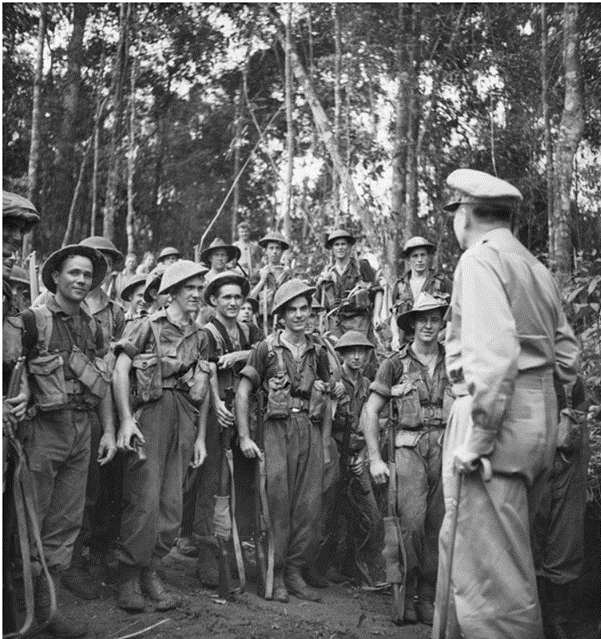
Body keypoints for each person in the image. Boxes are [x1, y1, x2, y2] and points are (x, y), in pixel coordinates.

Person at [431, 169, 580, 639]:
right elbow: (569, 356)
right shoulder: (535, 268)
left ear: (465, 214)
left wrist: (478, 439)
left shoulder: (480, 261)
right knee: (484, 560)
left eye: (454, 213)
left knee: (493, 586)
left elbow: (492, 360)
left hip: (494, 425)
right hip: (536, 421)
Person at [20, 244, 116, 638]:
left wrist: (109, 429)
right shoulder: (33, 321)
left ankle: (49, 606)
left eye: (87, 275)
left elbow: (103, 380)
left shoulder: (94, 326)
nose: (81, 280)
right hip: (43, 428)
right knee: (29, 519)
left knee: (65, 521)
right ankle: (19, 604)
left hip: (82, 429)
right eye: (73, 273)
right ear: (56, 277)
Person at [112, 260, 211, 612]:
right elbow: (120, 370)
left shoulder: (201, 336)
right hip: (151, 414)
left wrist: (200, 438)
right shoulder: (146, 327)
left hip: (184, 415)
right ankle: (128, 576)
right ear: (172, 293)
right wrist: (126, 419)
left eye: (201, 288)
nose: (197, 294)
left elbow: (205, 387)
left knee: (172, 504)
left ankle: (152, 570)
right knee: (143, 499)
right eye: (190, 288)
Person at [236, 279, 331, 603]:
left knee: (308, 506)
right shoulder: (265, 348)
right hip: (275, 430)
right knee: (276, 502)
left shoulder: (318, 350)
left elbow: (326, 395)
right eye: (292, 310)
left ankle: (295, 572)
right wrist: (245, 435)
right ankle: (274, 575)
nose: (300, 315)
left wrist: (326, 443)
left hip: (309, 428)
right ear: (281, 315)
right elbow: (244, 391)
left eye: (305, 308)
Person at [364, 293, 451, 624]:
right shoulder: (394, 364)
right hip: (408, 450)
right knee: (411, 524)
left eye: (434, 318)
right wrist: (375, 458)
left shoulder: (453, 361)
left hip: (445, 448)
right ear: (412, 325)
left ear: (442, 323)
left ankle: (428, 596)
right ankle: (408, 591)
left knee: (439, 524)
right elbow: (371, 411)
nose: (428, 325)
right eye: (422, 319)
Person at [192, 271, 263, 586]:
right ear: (214, 301)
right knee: (214, 484)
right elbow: (204, 371)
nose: (234, 303)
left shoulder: (251, 330)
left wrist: (240, 355)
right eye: (227, 298)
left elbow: (269, 353)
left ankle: (234, 547)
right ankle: (209, 552)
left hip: (247, 413)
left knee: (243, 483)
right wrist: (217, 403)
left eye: (238, 297)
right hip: (217, 413)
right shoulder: (207, 333)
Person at [318, 330, 386, 589]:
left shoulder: (369, 385)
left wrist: (361, 455)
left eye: (362, 352)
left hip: (359, 455)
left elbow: (374, 424)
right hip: (335, 452)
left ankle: (358, 567)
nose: (357, 357)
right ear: (343, 355)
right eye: (351, 352)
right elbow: (326, 421)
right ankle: (325, 566)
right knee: (330, 513)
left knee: (370, 514)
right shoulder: (335, 382)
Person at [3, 190, 40, 635]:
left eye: (19, 231)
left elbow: (18, 357)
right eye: (5, 228)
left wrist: (24, 388)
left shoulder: (12, 291)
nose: (13, 239)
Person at [532, 377, 591, 639]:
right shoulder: (517, 363)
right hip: (530, 456)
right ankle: (529, 615)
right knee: (527, 533)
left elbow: (581, 413)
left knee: (565, 538)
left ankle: (556, 617)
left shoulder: (571, 377)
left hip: (568, 457)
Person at [315, 229, 383, 379]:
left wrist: (377, 315)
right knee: (337, 360)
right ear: (332, 249)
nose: (340, 248)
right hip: (336, 323)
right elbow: (318, 302)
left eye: (343, 244)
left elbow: (377, 290)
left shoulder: (362, 267)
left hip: (359, 321)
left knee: (362, 361)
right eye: (336, 245)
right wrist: (320, 283)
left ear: (349, 247)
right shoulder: (327, 271)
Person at [390, 236, 451, 349]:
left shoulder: (442, 283)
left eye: (423, 255)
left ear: (428, 257)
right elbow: (394, 316)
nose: (419, 260)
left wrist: (441, 337)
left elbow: (454, 315)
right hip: (407, 346)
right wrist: (395, 337)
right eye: (415, 256)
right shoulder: (399, 286)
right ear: (408, 260)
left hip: (436, 345)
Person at [249, 231, 294, 329]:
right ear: (266, 251)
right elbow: (248, 299)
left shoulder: (287, 275)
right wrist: (262, 281)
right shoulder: (259, 274)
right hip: (263, 323)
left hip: (285, 323)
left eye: (278, 248)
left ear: (282, 252)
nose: (274, 251)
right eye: (271, 248)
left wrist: (290, 279)